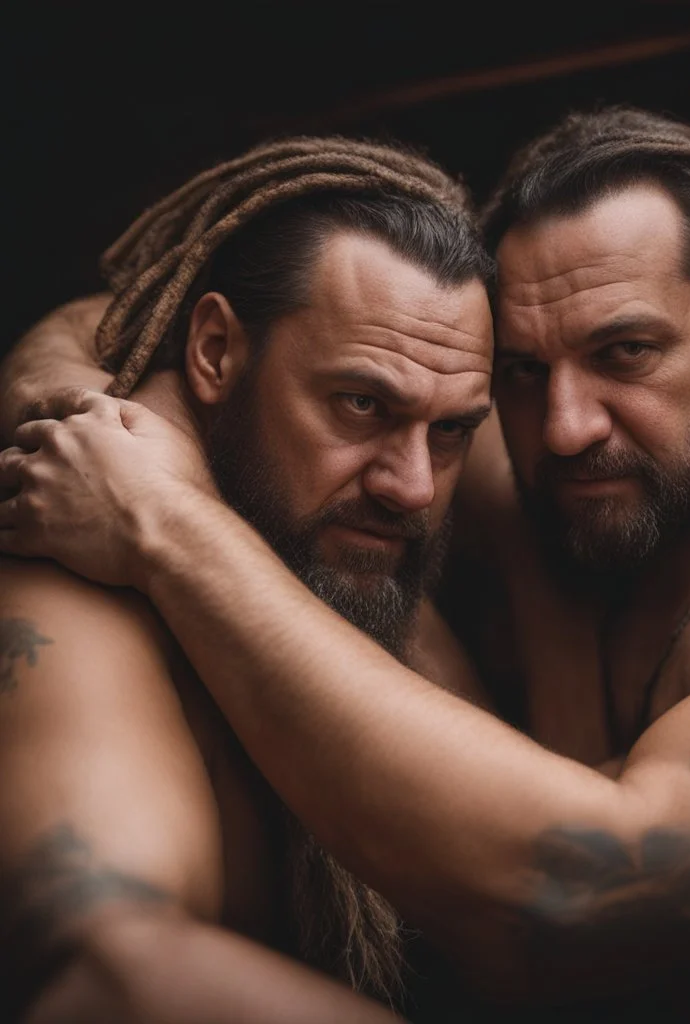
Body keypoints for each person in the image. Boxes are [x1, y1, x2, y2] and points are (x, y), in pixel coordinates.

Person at [5, 107, 690, 1023]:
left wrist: (165, 523)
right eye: (525, 373)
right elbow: (136, 322)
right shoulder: (516, 469)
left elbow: (583, 906)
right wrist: (77, 408)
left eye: (627, 353)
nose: (568, 426)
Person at [0, 135, 496, 1022]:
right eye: (360, 404)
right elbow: (108, 970)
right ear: (216, 352)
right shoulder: (76, 591)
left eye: (453, 430)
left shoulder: (358, 563)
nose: (412, 486)